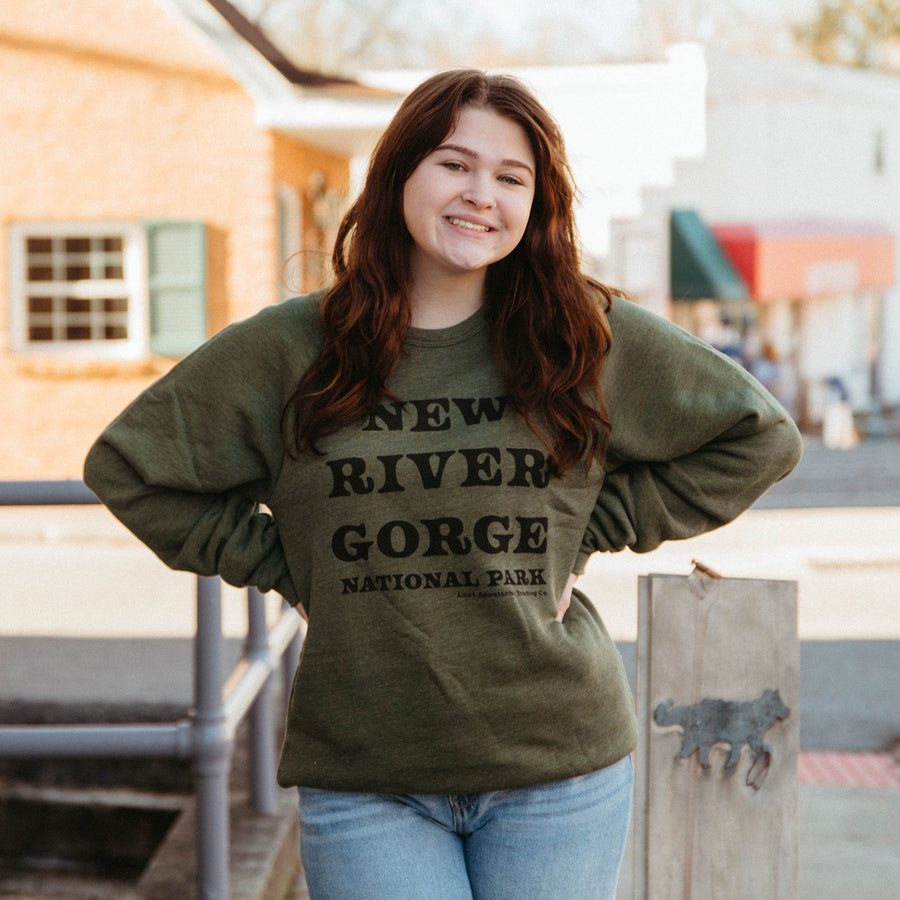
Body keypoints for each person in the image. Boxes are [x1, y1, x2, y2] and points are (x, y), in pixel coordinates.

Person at [83, 69, 803, 899]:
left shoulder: (581, 335)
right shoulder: (292, 349)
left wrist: (588, 530)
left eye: (511, 177)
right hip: (368, 776)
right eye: (454, 165)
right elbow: (131, 468)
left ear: (537, 204)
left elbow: (758, 437)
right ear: (399, 176)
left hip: (556, 768)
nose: (481, 195)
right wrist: (293, 564)